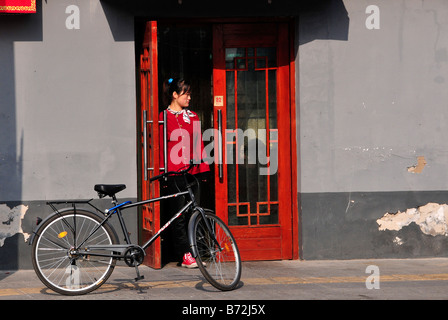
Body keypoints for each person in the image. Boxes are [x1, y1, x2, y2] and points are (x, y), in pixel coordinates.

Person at [159, 77, 210, 268]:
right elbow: (159, 147)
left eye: (189, 93)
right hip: (173, 174)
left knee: (193, 212)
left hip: (192, 171)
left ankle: (196, 250)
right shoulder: (162, 117)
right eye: (185, 93)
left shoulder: (193, 117)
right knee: (178, 215)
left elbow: (199, 144)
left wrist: (203, 169)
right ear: (174, 95)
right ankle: (184, 254)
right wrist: (162, 172)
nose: (189, 97)